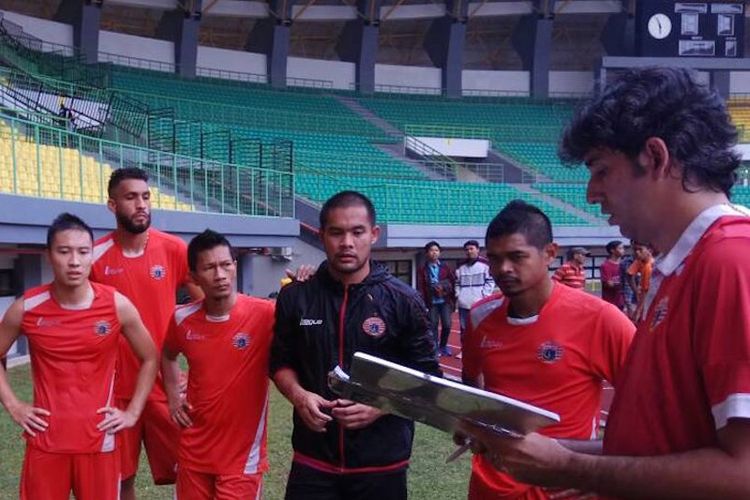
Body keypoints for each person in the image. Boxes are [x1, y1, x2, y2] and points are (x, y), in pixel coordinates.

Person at [459, 67, 750, 498]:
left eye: (600, 170)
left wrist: (578, 469)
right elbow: (663, 444)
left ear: (654, 157)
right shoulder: (684, 267)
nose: (591, 193)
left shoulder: (731, 260)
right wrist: (557, 456)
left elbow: (743, 474)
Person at [270, 190, 440, 500]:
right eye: (336, 232)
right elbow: (280, 362)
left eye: (357, 232)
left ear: (373, 234)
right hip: (313, 460)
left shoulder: (404, 300)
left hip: (382, 464)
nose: (347, 242)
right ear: (322, 235)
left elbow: (429, 378)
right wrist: (299, 395)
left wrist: (381, 405)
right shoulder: (296, 296)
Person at [460, 200, 634, 500]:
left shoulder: (599, 319)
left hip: (561, 487)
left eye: (516, 257)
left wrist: (599, 467)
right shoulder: (480, 316)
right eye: (495, 258)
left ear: (550, 253)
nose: (503, 269)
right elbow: (470, 381)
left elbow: (649, 403)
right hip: (490, 485)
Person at [0, 213, 158, 500]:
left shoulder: (116, 305)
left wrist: (133, 412)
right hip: (45, 442)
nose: (74, 261)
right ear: (49, 256)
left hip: (100, 440)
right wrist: (13, 405)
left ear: (91, 256)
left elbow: (150, 357)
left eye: (83, 252)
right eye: (64, 251)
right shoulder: (27, 308)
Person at [90, 167, 202, 500]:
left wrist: (192, 368)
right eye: (130, 197)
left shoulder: (173, 249)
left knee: (188, 469)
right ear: (112, 205)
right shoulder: (93, 257)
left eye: (145, 196)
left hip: (165, 386)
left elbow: (208, 308)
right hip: (115, 388)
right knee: (120, 479)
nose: (141, 204)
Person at [162, 229, 275, 499]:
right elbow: (166, 354)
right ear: (193, 276)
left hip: (241, 457)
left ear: (235, 267)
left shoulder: (266, 314)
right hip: (194, 451)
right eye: (210, 267)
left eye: (225, 265)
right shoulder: (181, 318)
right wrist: (173, 397)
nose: (220, 274)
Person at [416, 240, 456, 356]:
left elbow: (452, 282)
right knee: (433, 325)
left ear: (440, 253)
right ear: (427, 253)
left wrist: (452, 298)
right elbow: (421, 287)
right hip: (431, 301)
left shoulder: (445, 267)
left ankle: (443, 346)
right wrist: (423, 303)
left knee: (447, 325)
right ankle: (435, 347)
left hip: (445, 301)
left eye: (437, 250)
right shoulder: (423, 269)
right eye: (432, 250)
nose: (434, 253)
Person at [454, 239, 495, 347]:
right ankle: (465, 350)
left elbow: (490, 281)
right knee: (464, 329)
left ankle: (480, 349)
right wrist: (459, 295)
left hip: (480, 303)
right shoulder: (460, 266)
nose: (469, 251)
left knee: (480, 327)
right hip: (464, 303)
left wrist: (484, 296)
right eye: (467, 249)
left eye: (471, 249)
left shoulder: (485, 264)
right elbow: (457, 283)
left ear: (478, 250)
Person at [626, 242, 654, 320]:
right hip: (643, 294)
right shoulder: (639, 261)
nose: (637, 252)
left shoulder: (649, 266)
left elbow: (646, 291)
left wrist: (638, 309)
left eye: (640, 249)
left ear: (649, 250)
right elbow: (629, 274)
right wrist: (635, 291)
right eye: (635, 250)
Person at [599, 240, 624, 309]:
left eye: (623, 248)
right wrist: (624, 285)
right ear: (612, 250)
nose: (623, 250)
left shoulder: (624, 264)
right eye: (620, 248)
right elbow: (609, 284)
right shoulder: (605, 266)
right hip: (610, 302)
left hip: (622, 302)